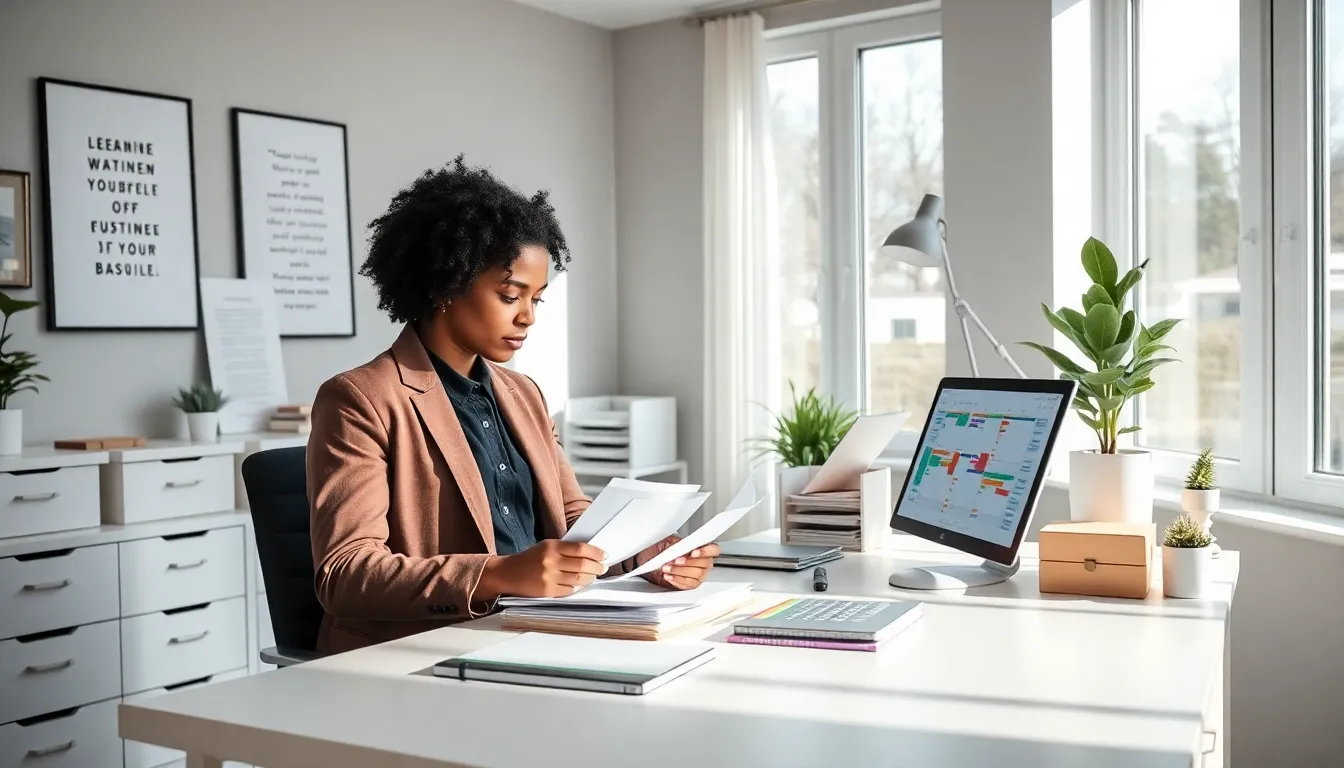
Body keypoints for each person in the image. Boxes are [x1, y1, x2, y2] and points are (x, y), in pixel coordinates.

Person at [306, 156, 719, 654]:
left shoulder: (523, 393)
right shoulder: (361, 399)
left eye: (537, 299)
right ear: (444, 283)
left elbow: (570, 516)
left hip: (534, 632)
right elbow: (346, 575)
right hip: (425, 649)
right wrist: (499, 574)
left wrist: (644, 556)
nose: (527, 317)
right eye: (509, 295)